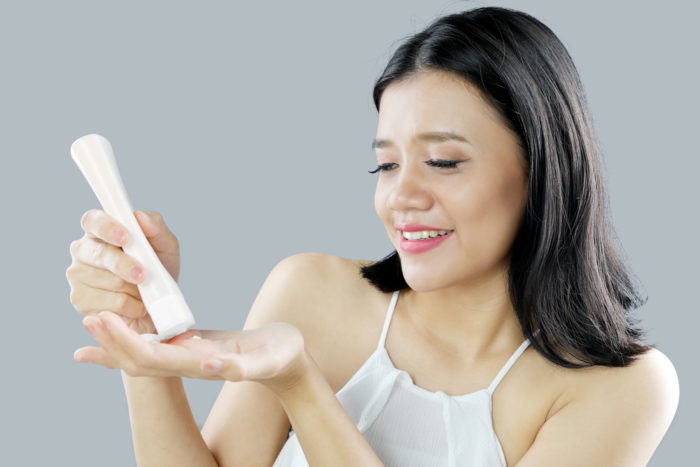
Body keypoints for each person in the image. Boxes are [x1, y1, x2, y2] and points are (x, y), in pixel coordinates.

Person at [65, 6, 679, 466]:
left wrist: (301, 385)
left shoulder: (622, 387)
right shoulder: (310, 293)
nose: (400, 196)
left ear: (544, 169)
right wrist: (142, 340)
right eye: (385, 165)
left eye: (443, 162)